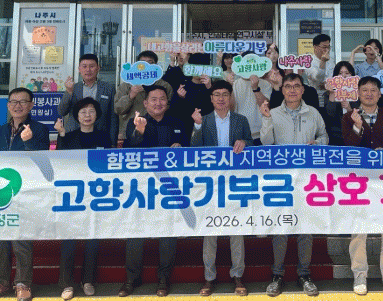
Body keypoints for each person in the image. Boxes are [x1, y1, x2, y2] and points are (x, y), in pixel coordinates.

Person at [0, 87, 50, 301]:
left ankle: (23, 284)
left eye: (23, 101)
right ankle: (1, 283)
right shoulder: (0, 130)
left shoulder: (40, 129)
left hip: (25, 190)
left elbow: (43, 160)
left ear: (31, 105)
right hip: (0, 192)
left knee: (21, 240)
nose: (18, 105)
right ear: (8, 105)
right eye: (14, 102)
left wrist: (29, 141)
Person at [260, 73, 328, 297]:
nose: (291, 90)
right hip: (281, 179)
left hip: (307, 179)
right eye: (287, 86)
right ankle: (277, 275)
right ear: (282, 90)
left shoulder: (313, 113)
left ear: (302, 90)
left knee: (305, 228)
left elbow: (325, 137)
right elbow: (266, 143)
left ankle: (304, 274)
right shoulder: (273, 113)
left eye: (296, 86)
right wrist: (266, 119)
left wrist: (317, 143)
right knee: (280, 227)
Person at [119, 85, 186, 297]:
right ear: (145, 103)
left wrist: (181, 148)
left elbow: (190, 151)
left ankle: (164, 277)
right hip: (141, 189)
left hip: (169, 189)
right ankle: (132, 278)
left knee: (168, 233)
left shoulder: (177, 122)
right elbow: (128, 153)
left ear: (168, 102)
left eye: (162, 99)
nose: (158, 103)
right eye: (153, 99)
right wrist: (139, 132)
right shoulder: (135, 122)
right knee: (135, 232)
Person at [342, 76, 383, 295]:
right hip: (358, 182)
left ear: (379, 94)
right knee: (358, 231)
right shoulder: (348, 117)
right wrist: (358, 127)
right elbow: (347, 147)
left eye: (373, 90)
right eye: (365, 90)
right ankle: (360, 275)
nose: (369, 94)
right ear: (358, 93)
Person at [191, 80, 253, 297]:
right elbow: (194, 149)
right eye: (216, 94)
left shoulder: (241, 120)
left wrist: (244, 142)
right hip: (211, 184)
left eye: (225, 94)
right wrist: (197, 126)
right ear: (211, 98)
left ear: (230, 97)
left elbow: (252, 144)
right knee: (210, 231)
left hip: (235, 183)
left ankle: (238, 275)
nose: (221, 98)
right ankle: (209, 278)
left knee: (236, 229)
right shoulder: (204, 120)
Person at [54, 98, 113, 300]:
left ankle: (88, 280)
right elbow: (60, 162)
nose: (87, 115)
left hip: (95, 195)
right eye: (83, 112)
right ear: (77, 116)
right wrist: (61, 135)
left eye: (91, 111)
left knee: (92, 239)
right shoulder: (68, 136)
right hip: (72, 195)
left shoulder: (104, 137)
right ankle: (67, 283)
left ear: (97, 115)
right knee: (69, 240)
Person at [58, 53, 118, 145]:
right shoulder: (73, 87)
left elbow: (113, 117)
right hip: (74, 136)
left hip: (100, 137)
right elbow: (62, 111)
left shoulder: (108, 88)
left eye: (92, 66)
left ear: (98, 68)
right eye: (84, 66)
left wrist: (113, 142)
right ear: (79, 69)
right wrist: (69, 92)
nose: (88, 70)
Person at [114, 50, 173, 140]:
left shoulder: (164, 85)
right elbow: (118, 109)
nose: (146, 66)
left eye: (150, 63)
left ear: (156, 66)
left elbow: (169, 109)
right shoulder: (127, 85)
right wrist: (130, 96)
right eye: (143, 63)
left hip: (159, 132)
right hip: (131, 132)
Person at [232, 71, 272, 145]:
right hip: (240, 135)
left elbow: (265, 106)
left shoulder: (265, 84)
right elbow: (230, 109)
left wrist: (255, 88)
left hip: (260, 134)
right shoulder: (235, 84)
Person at [324, 61, 358, 145]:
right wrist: (332, 93)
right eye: (340, 73)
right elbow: (329, 114)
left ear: (352, 75)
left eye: (347, 73)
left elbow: (360, 117)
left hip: (353, 134)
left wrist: (349, 109)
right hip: (334, 135)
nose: (344, 76)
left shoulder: (358, 94)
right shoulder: (327, 93)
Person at [305, 33, 334, 112]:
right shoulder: (309, 61)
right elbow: (317, 78)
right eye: (324, 47)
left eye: (328, 47)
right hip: (314, 97)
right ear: (315, 47)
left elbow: (332, 78)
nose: (327, 50)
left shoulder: (331, 61)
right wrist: (323, 61)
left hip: (329, 96)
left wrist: (326, 84)